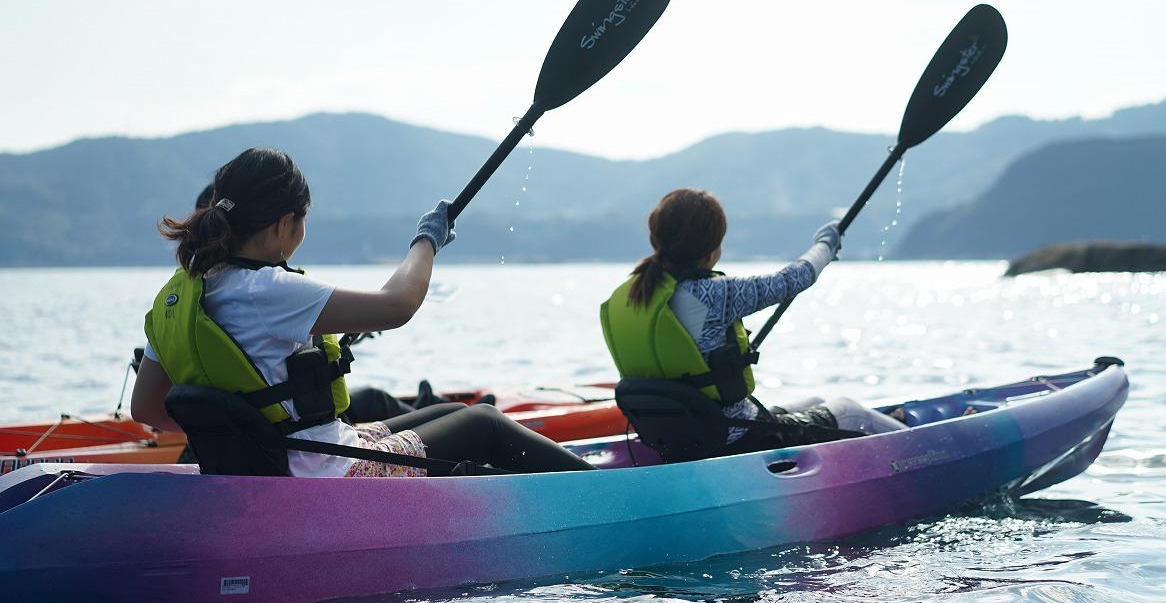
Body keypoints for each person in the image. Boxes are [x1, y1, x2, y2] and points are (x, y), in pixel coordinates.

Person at [132, 147, 593, 477]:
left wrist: (248, 442)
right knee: (484, 423)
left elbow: (146, 408)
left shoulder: (179, 297)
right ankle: (610, 493)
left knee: (449, 411)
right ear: (283, 225)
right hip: (326, 477)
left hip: (280, 465)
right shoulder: (269, 287)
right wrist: (426, 241)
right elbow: (398, 305)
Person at [600, 188, 905, 458]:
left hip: (682, 438)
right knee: (849, 410)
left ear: (657, 239)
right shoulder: (713, 294)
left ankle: (891, 426)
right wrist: (826, 244)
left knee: (815, 401)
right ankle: (923, 447)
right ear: (712, 250)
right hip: (735, 438)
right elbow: (795, 278)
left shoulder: (630, 295)